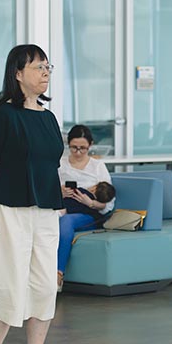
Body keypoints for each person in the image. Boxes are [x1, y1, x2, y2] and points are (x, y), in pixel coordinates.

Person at [0, 44, 63, 344]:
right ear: (17, 74)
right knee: (7, 284)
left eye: (47, 66)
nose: (45, 73)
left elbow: (49, 165)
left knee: (43, 285)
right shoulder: (3, 116)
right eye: (38, 67)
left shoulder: (48, 117)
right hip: (8, 208)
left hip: (45, 209)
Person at [56, 124, 115, 289]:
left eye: (83, 148)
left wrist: (90, 203)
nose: (79, 152)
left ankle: (58, 274)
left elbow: (108, 202)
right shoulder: (60, 164)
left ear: (90, 145)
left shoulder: (97, 167)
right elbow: (45, 190)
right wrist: (59, 192)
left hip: (89, 213)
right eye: (74, 148)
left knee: (66, 221)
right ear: (68, 145)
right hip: (61, 205)